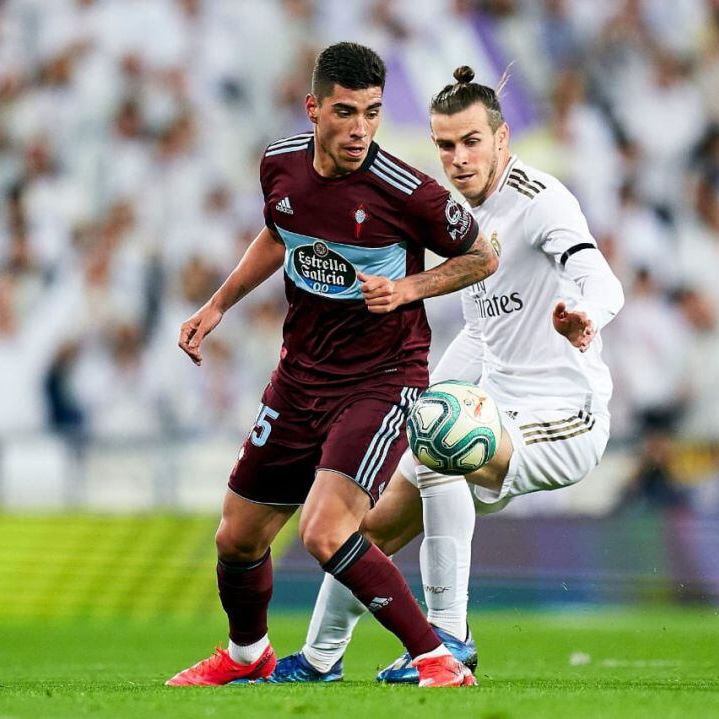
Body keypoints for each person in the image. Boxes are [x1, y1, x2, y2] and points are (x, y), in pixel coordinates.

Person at [268, 66, 624, 683]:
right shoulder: (457, 214)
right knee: (369, 526)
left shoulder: (541, 202)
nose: (458, 159)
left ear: (502, 139)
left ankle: (449, 641)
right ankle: (320, 660)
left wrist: (585, 316)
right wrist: (420, 400)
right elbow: (482, 333)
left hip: (565, 415)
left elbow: (601, 278)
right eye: (445, 145)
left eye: (471, 142)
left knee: (440, 444)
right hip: (495, 405)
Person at [164, 43, 497, 689]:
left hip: (381, 378)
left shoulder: (408, 190)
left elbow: (481, 257)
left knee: (323, 530)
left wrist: (410, 289)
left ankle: (437, 659)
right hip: (301, 376)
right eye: (346, 112)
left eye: (372, 113)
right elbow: (278, 231)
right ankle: (246, 653)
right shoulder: (280, 163)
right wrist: (218, 303)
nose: (360, 129)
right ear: (314, 107)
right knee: (236, 537)